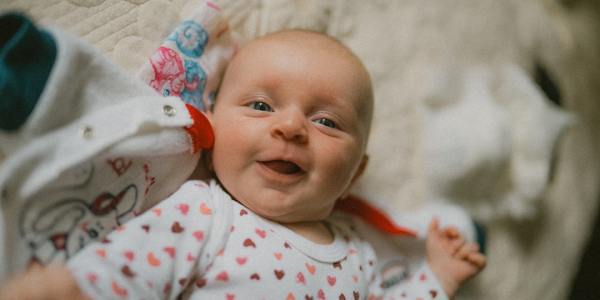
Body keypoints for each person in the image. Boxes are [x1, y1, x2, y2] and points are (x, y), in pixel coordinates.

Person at [0, 29, 485, 300]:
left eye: (326, 121)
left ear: (355, 173)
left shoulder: (361, 252)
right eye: (260, 106)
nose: (292, 128)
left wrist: (435, 278)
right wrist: (56, 289)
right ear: (211, 128)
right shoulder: (206, 214)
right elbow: (124, 274)